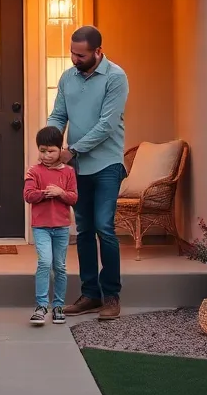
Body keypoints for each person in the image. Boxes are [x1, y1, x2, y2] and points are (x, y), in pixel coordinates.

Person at [48, 25, 129, 321]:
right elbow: (59, 115)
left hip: (107, 164)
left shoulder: (116, 77)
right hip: (77, 167)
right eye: (72, 52)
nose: (74, 58)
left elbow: (107, 125)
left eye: (80, 55)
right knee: (82, 231)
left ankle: (111, 296)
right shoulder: (67, 77)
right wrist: (51, 144)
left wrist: (73, 150)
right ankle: (90, 294)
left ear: (98, 52)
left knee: (104, 228)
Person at [25, 125, 78, 326]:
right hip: (41, 227)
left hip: (62, 226)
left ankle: (58, 305)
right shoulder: (34, 171)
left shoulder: (69, 172)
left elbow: (73, 198)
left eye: (51, 151)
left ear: (60, 149)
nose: (46, 155)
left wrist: (61, 193)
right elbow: (28, 195)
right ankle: (41, 306)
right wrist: (45, 193)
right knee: (45, 262)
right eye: (42, 150)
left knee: (60, 266)